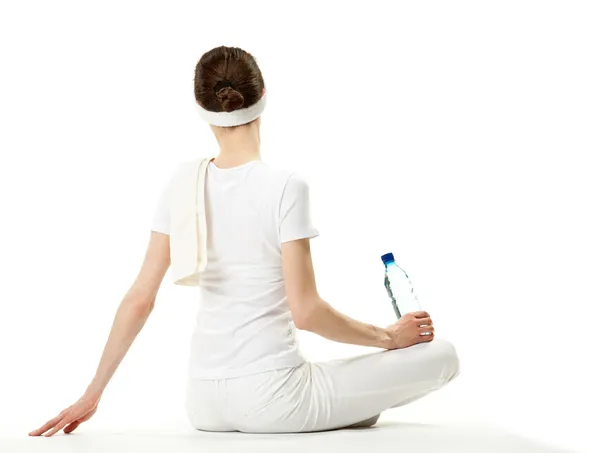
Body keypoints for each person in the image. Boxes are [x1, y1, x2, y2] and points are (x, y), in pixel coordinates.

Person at [29, 45, 460, 437]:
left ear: (202, 108)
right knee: (442, 356)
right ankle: (351, 406)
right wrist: (388, 337)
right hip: (276, 398)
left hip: (204, 403)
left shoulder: (180, 183)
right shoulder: (286, 187)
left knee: (356, 394)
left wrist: (92, 395)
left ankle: (354, 409)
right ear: (264, 95)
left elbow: (139, 299)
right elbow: (306, 312)